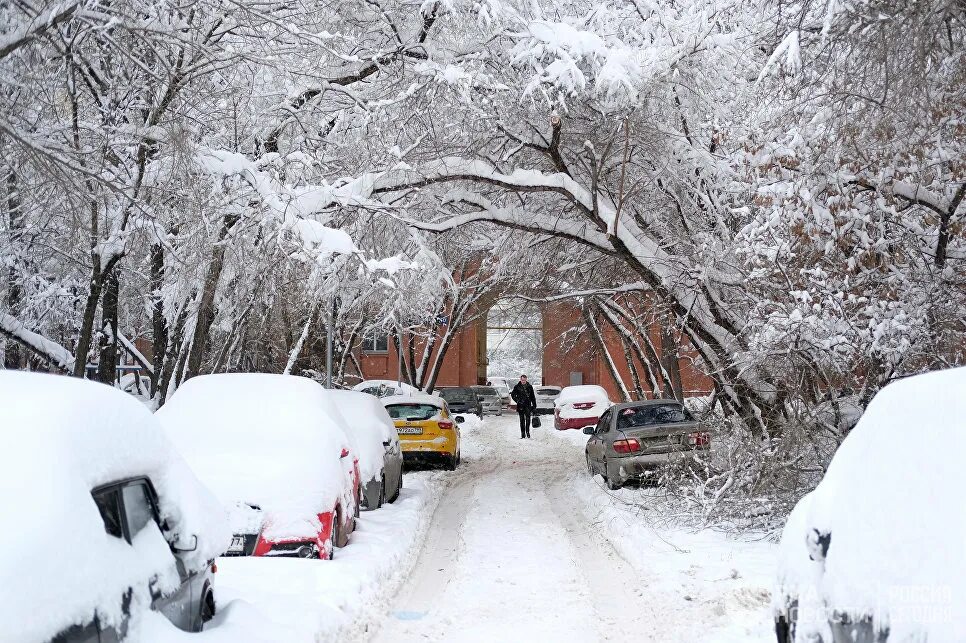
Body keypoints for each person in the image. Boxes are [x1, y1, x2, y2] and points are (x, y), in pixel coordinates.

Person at [511, 374, 536, 439]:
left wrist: (534, 405)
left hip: (528, 405)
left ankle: (528, 432)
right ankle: (522, 434)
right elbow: (513, 395)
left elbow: (533, 397)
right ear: (520, 379)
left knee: (528, 419)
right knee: (522, 420)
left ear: (526, 380)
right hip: (520, 405)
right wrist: (517, 401)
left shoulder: (530, 386)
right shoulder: (517, 387)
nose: (523, 381)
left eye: (524, 380)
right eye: (522, 380)